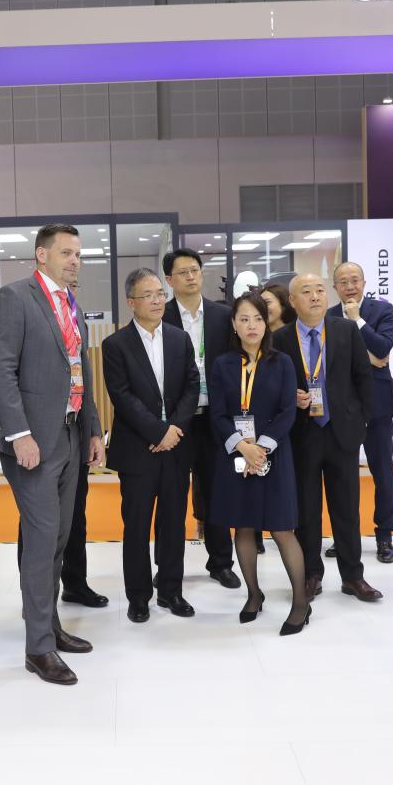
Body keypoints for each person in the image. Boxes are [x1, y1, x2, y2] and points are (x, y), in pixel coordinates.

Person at [0, 223, 105, 686]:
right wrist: (20, 434)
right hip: (33, 441)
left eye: (79, 254)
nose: (75, 261)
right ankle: (38, 648)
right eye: (66, 253)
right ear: (41, 254)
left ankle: (49, 626)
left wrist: (93, 430)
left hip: (71, 435)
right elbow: (0, 371)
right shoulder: (13, 298)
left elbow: (80, 371)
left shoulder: (70, 304)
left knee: (58, 539)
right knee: (41, 539)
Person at [274, 274, 384, 605]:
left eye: (320, 290)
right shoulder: (280, 338)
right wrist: (290, 398)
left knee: (346, 508)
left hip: (342, 432)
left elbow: (363, 378)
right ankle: (311, 574)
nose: (315, 297)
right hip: (301, 434)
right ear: (292, 301)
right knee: (306, 509)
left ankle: (353, 576)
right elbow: (274, 386)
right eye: (306, 292)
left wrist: (360, 421)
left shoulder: (346, 330)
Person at [208, 291, 310, 634]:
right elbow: (218, 414)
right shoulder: (222, 364)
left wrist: (260, 448)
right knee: (243, 526)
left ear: (266, 324)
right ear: (234, 325)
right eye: (244, 319)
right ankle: (254, 594)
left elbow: (287, 411)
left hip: (274, 454)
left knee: (281, 529)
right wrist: (242, 447)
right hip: (236, 456)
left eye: (257, 319)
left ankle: (301, 602)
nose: (251, 325)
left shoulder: (282, 362)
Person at [102, 268, 200, 623]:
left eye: (160, 293)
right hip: (137, 450)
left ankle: (171, 591)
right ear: (131, 302)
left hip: (176, 448)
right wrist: (158, 432)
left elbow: (192, 386)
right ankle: (138, 596)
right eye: (149, 295)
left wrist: (173, 430)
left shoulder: (179, 338)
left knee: (174, 524)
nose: (158, 300)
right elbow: (122, 397)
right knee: (137, 526)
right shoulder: (115, 345)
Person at [162, 249, 241, 588]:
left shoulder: (223, 316)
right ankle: (168, 568)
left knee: (216, 491)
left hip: (215, 418)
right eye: (183, 272)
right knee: (172, 495)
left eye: (195, 270)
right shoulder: (161, 316)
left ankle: (221, 562)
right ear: (170, 280)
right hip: (176, 421)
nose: (191, 277)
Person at [329, 262, 393, 564]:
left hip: (378, 404)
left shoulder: (382, 310)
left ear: (364, 282)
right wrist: (368, 358)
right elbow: (331, 359)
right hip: (342, 407)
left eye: (354, 280)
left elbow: (383, 348)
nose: (349, 287)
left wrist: (357, 320)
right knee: (341, 477)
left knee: (382, 472)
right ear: (335, 286)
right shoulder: (328, 316)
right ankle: (345, 537)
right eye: (343, 282)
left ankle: (385, 535)